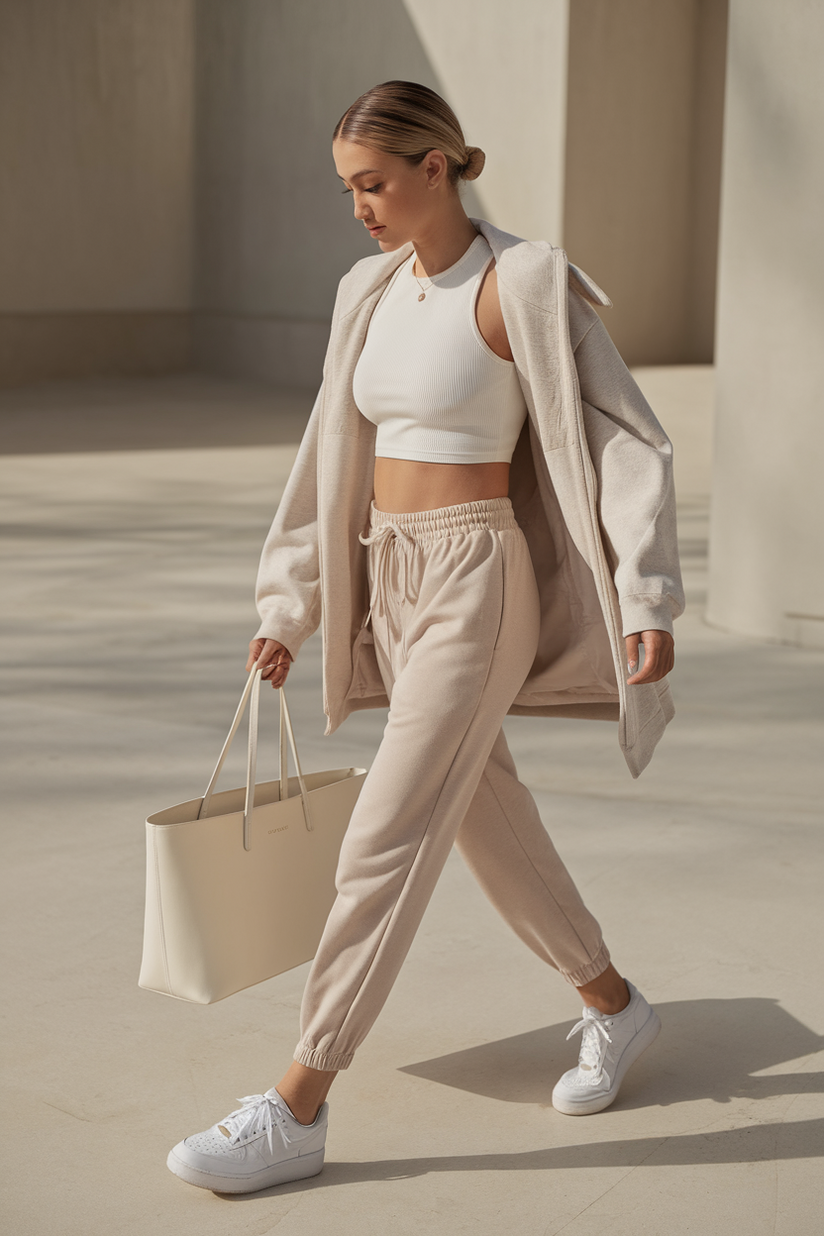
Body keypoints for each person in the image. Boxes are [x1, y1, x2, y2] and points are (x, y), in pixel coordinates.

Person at [167, 81, 683, 1195]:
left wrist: (644, 596)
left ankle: (298, 1103)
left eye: (372, 183)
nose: (357, 206)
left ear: (437, 166)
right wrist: (289, 606)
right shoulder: (367, 288)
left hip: (472, 581)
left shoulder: (523, 284)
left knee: (384, 838)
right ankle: (612, 1003)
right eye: (346, 187)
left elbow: (630, 439)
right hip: (384, 577)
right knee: (481, 818)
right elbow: (324, 458)